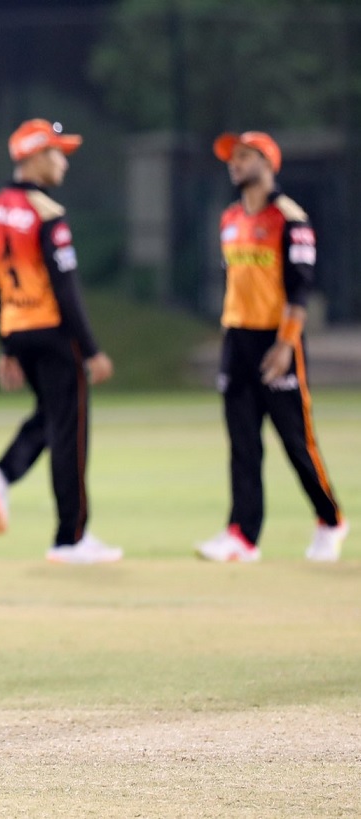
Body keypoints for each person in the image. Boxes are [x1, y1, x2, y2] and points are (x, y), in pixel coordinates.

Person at [0, 120, 120, 565]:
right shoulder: (47, 213)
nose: (63, 162)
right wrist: (92, 349)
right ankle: (69, 538)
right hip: (55, 332)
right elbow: (66, 288)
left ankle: (1, 472)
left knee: (53, 417)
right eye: (57, 153)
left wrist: (7, 347)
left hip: (19, 328)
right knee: (70, 432)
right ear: (34, 157)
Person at [195, 131, 346, 562]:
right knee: (243, 443)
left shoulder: (289, 218)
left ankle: (330, 520)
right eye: (232, 157)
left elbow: (300, 290)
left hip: (276, 341)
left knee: (297, 443)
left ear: (268, 162)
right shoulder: (229, 218)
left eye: (245, 156)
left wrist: (285, 344)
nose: (235, 164)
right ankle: (243, 535)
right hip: (237, 339)